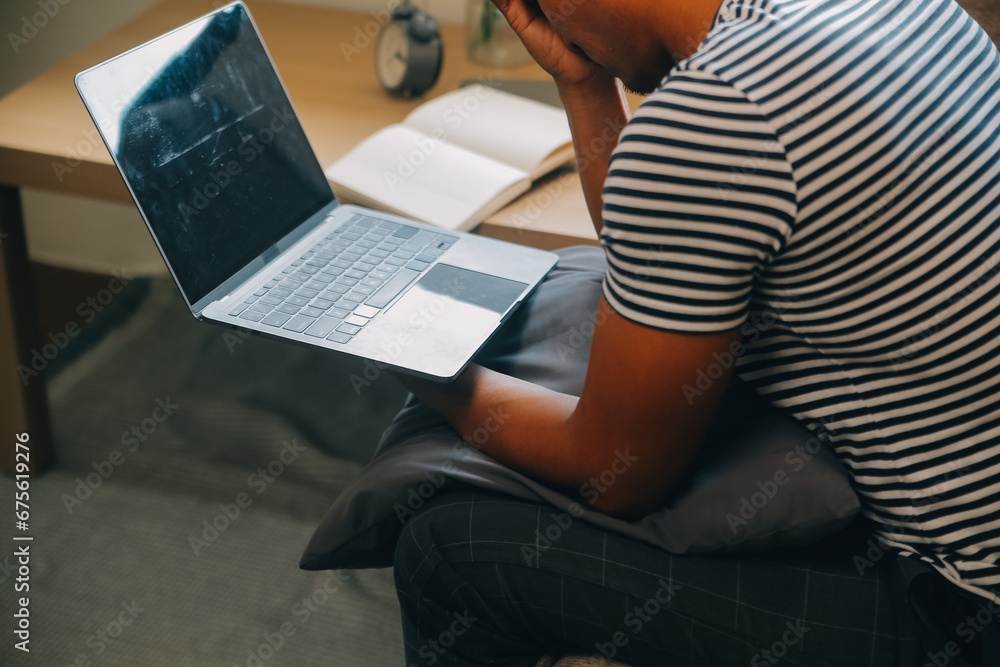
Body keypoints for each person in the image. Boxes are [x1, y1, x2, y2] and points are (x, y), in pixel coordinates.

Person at [390, 0, 1000, 664]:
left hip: (965, 605)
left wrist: (417, 357)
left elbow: (614, 473)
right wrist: (584, 80)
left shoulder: (715, 114)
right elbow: (657, 247)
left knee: (443, 548)